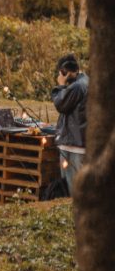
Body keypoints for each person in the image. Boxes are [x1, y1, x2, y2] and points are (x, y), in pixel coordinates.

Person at [51, 54, 88, 193]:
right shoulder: (84, 82)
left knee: (73, 190)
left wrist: (60, 85)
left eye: (62, 72)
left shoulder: (77, 86)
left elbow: (60, 104)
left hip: (74, 145)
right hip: (77, 143)